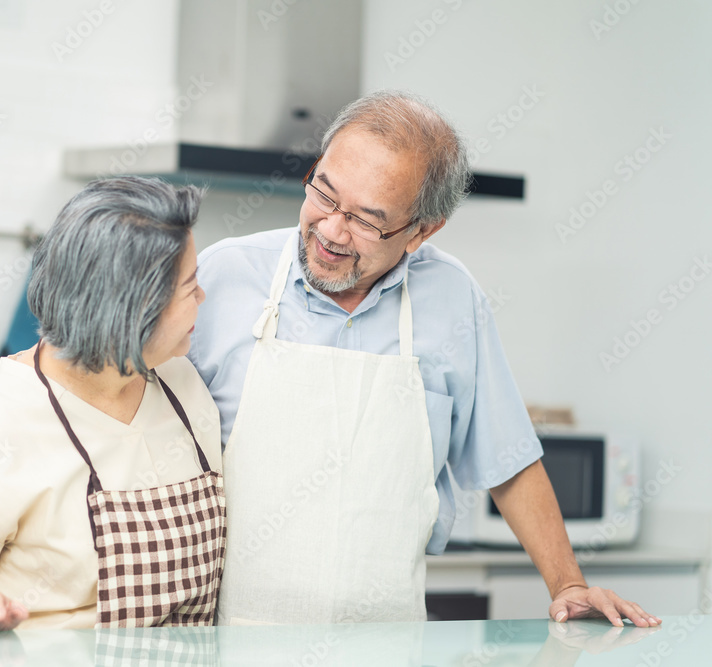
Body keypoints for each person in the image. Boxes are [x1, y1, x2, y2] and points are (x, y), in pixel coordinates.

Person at [188, 91, 660, 627]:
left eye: (368, 220)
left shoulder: (453, 300)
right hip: (233, 637)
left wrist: (568, 583)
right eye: (324, 192)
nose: (332, 230)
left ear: (422, 230)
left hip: (388, 639)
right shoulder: (223, 277)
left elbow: (508, 462)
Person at [0, 176, 225, 631]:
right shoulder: (3, 420)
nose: (203, 299)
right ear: (132, 310)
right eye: (190, 288)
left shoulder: (182, 384)